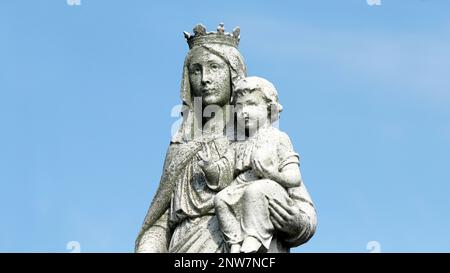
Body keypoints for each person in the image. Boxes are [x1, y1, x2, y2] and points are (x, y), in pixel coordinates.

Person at [135, 24, 317, 253]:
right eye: (196, 70)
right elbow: (159, 223)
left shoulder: (259, 137)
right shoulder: (180, 147)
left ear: (234, 73)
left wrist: (296, 223)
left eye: (214, 67)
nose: (204, 79)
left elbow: (303, 207)